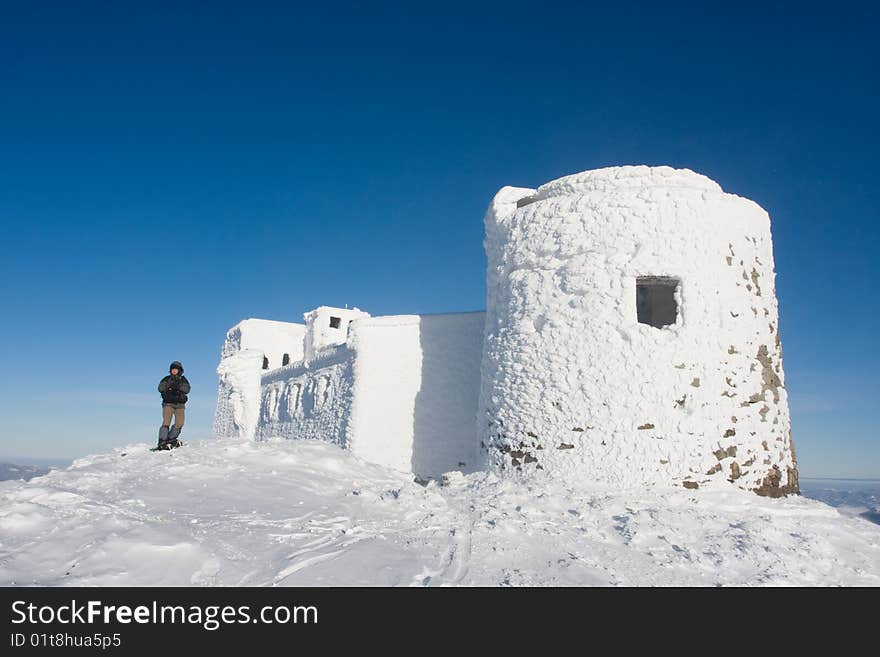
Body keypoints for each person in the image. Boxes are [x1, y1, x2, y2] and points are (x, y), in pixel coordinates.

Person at [157, 361, 190, 450]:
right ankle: (162, 441)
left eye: (176, 369)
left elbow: (187, 389)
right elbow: (160, 388)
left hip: (180, 405)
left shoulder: (183, 379)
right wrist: (169, 385)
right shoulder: (166, 379)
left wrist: (177, 387)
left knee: (180, 423)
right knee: (166, 422)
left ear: (180, 370)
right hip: (168, 403)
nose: (174, 371)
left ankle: (171, 438)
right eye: (173, 369)